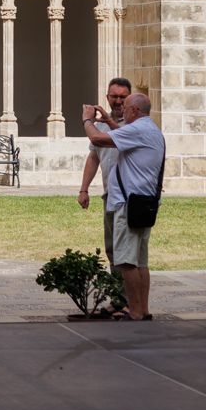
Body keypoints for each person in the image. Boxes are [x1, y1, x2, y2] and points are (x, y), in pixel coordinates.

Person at [82, 93, 165, 321]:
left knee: (126, 262)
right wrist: (109, 121)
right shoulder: (151, 129)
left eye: (126, 107)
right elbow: (117, 134)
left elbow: (98, 140)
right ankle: (144, 309)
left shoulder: (137, 130)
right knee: (141, 262)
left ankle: (135, 312)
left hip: (128, 205)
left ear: (135, 111)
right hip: (144, 204)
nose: (123, 111)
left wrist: (87, 120)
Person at [77, 77, 132, 280]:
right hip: (110, 194)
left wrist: (87, 120)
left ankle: (128, 302)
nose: (118, 101)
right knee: (112, 249)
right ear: (107, 97)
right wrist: (84, 189)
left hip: (129, 198)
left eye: (123, 97)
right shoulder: (101, 125)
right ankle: (118, 298)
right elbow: (94, 156)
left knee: (127, 252)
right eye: (114, 96)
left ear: (130, 98)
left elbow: (98, 139)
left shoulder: (133, 125)